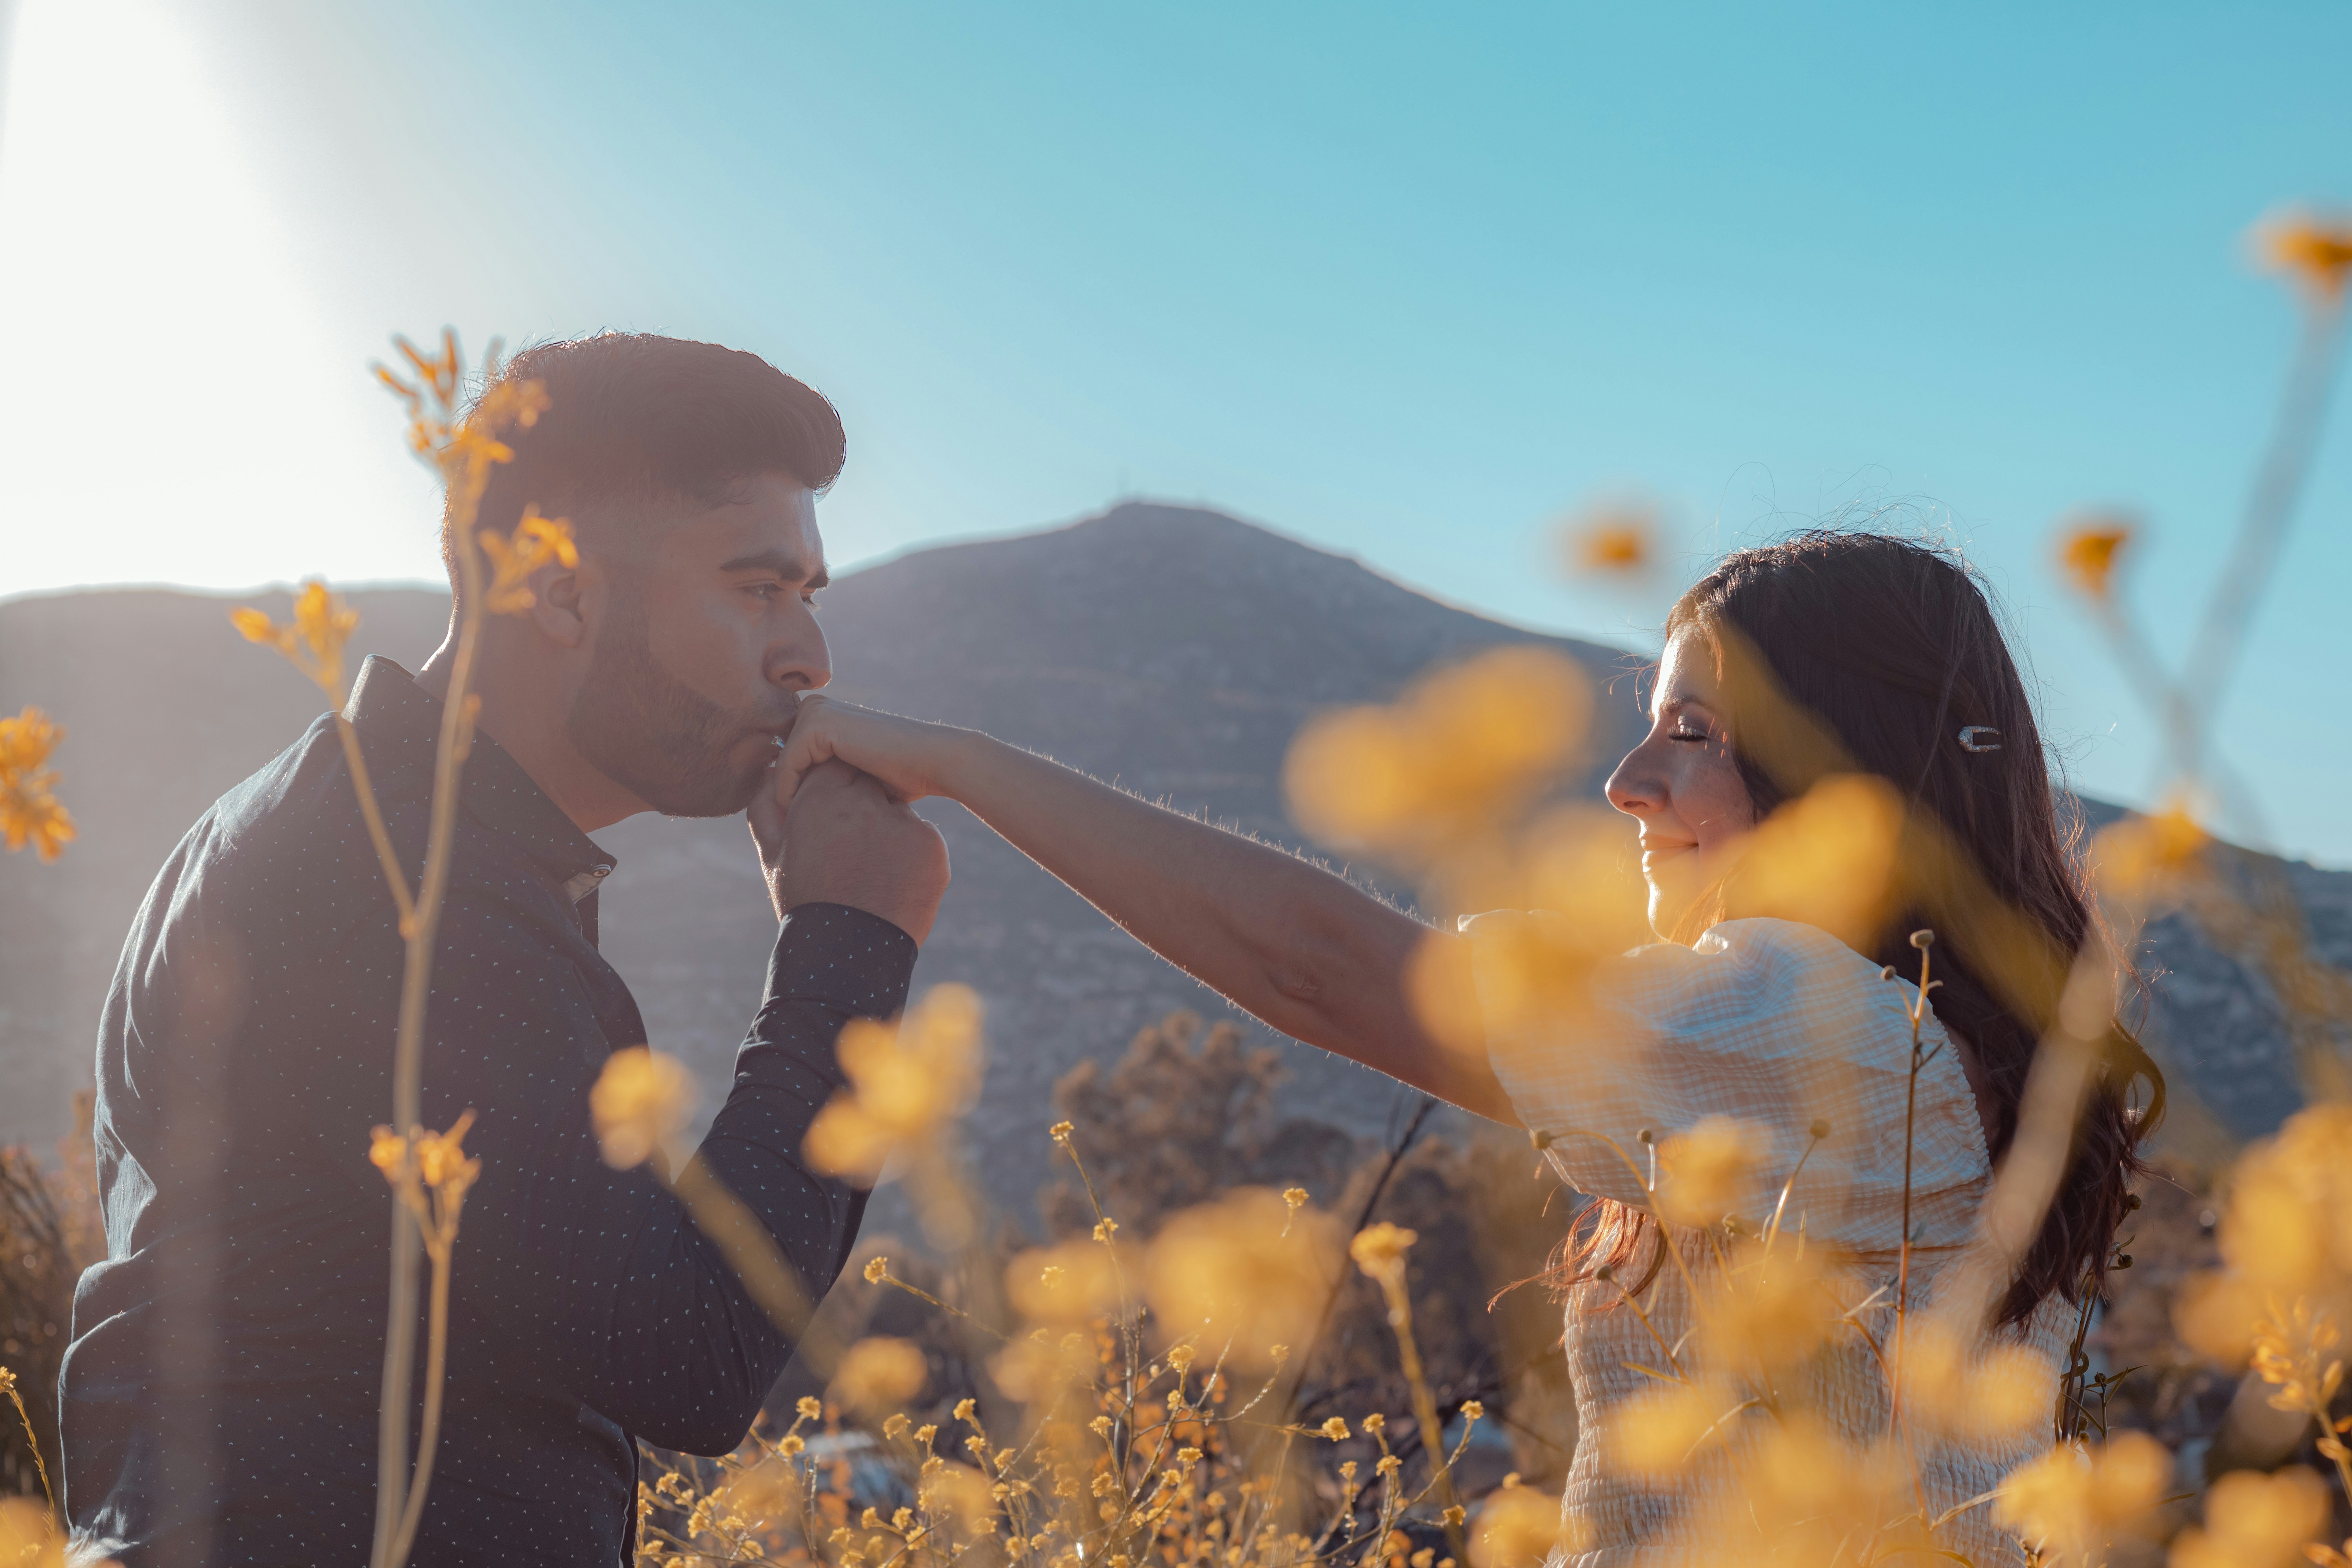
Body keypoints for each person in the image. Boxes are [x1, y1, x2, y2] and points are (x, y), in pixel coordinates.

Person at [765, 530, 2163, 1564]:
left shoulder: (1834, 1023)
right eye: (1647, 726)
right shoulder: (1907, 1032)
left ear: (1857, 769)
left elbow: (1320, 971)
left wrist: (953, 763)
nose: (1628, 783)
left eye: (1696, 735)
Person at [62, 334, 950, 1566]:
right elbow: (691, 1358)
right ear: (562, 588)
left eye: (809, 596)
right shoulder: (384, 887)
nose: (809, 658)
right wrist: (851, 941)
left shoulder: (398, 841)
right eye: (758, 589)